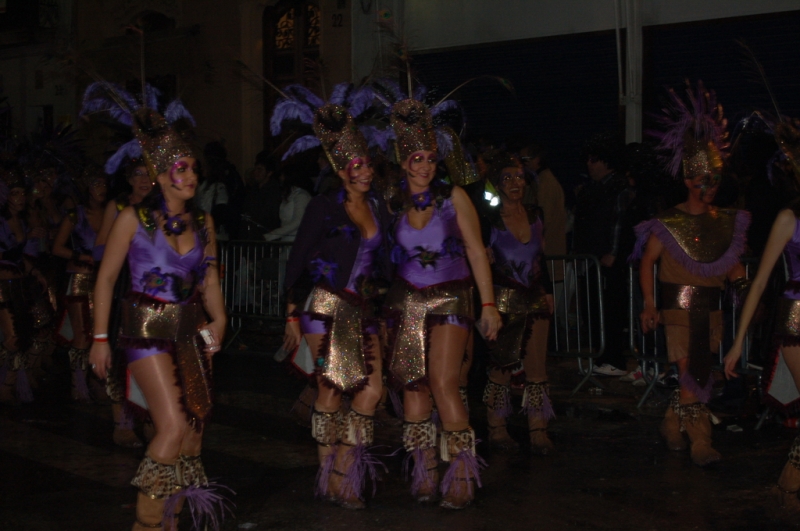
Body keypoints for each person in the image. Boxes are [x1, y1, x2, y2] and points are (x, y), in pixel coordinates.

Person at [89, 106, 227, 530]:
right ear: (162, 174)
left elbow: (210, 280)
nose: (190, 177)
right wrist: (98, 338)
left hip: (189, 333)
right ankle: (146, 525)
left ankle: (170, 520)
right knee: (170, 426)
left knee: (191, 432)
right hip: (145, 331)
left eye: (194, 170)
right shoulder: (134, 219)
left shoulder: (204, 222)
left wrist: (220, 320)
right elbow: (107, 278)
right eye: (181, 169)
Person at [383, 98, 501, 509]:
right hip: (406, 304)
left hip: (452, 298)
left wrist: (488, 305)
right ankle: (425, 469)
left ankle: (464, 473)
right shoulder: (393, 204)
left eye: (431, 158)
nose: (426, 166)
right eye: (417, 158)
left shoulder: (453, 198)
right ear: (403, 161)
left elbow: (476, 250)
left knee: (444, 382)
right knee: (413, 387)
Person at [280, 102, 392, 509]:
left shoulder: (378, 205)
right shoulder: (323, 206)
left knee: (371, 392)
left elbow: (384, 261)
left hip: (362, 309)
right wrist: (291, 312)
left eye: (367, 164)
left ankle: (342, 469)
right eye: (354, 165)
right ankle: (330, 476)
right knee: (329, 393)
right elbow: (297, 261)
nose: (363, 171)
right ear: (340, 168)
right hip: (322, 306)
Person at [634, 82, 750, 467]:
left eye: (715, 179)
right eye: (703, 179)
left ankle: (672, 422)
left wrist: (746, 289)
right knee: (691, 376)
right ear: (688, 179)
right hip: (679, 311)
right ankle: (702, 440)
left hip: (711, 311)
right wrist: (649, 304)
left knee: (702, 374)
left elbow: (730, 262)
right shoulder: (667, 223)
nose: (710, 186)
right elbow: (646, 261)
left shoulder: (725, 222)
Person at [724, 119, 800, 508]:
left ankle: (790, 480)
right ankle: (790, 482)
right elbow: (759, 282)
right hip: (796, 320)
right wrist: (738, 343)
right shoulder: (788, 219)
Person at [481, 152, 555, 454]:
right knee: (502, 366)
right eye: (507, 178)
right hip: (503, 300)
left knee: (537, 368)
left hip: (534, 298)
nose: (515, 183)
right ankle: (497, 427)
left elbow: (542, 258)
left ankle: (538, 429)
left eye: (520, 177)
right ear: (498, 184)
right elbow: (481, 262)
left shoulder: (536, 215)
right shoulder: (490, 221)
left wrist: (549, 291)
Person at [94, 159, 153, 448]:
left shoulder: (164, 207)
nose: (144, 180)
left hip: (153, 292)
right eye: (138, 174)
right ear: (129, 179)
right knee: (120, 357)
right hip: (122, 288)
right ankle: (122, 424)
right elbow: (101, 248)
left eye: (149, 174)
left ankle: (154, 420)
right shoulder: (118, 208)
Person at [573, 132, 631, 376]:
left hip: (606, 263)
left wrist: (613, 253)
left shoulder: (617, 188)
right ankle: (601, 356)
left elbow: (619, 222)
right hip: (592, 260)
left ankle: (613, 359)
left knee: (610, 311)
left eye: (595, 159)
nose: (589, 164)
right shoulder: (594, 189)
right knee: (593, 310)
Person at [52, 166, 108, 402]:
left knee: (100, 333)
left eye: (103, 185)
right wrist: (78, 256)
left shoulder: (113, 213)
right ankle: (78, 383)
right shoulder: (75, 215)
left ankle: (97, 381)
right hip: (79, 279)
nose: (101, 190)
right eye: (96, 185)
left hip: (103, 281)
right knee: (81, 335)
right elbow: (56, 247)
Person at [0, 174, 53, 404]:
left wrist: (35, 272)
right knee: (12, 338)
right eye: (15, 193)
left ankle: (17, 380)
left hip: (20, 284)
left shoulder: (20, 221)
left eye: (23, 193)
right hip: (2, 286)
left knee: (36, 326)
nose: (21, 198)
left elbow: (21, 255)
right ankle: (5, 387)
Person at [263, 163, 313, 242]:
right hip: (287, 240)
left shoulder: (301, 196)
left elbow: (298, 221)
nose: (280, 178)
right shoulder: (289, 195)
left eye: (282, 175)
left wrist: (273, 235)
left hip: (297, 241)